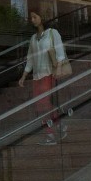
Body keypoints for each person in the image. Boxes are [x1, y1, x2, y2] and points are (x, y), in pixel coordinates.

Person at [17, 11, 69, 144]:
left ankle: (53, 131)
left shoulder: (52, 33)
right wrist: (24, 76)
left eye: (35, 17)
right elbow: (30, 59)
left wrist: (57, 69)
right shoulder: (33, 38)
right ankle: (56, 129)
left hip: (48, 74)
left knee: (46, 104)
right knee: (41, 106)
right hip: (36, 77)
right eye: (31, 18)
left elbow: (60, 51)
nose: (32, 20)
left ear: (42, 17)